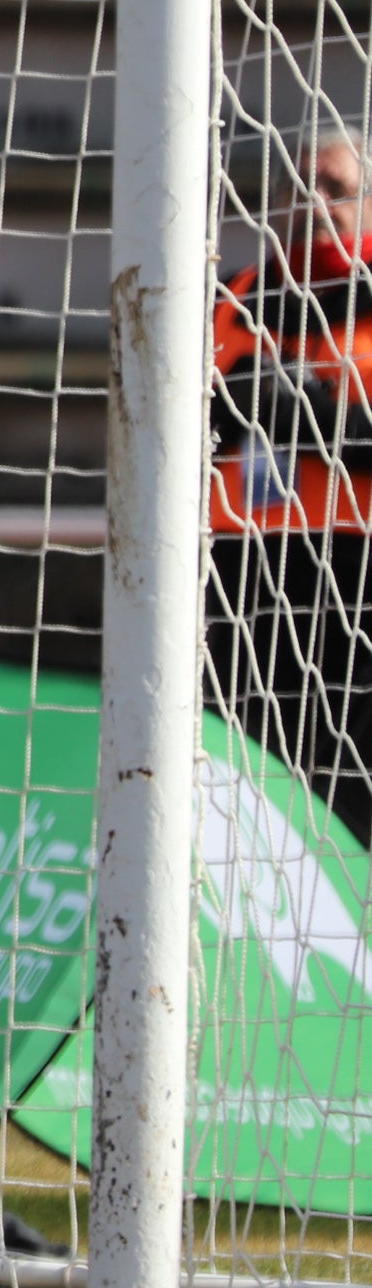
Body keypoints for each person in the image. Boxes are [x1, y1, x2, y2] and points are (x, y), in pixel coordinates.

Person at [209, 124, 372, 837]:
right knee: (240, 792)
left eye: (336, 188)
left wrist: (299, 407)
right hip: (238, 581)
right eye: (299, 186)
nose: (315, 201)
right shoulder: (233, 295)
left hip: (355, 578)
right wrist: (235, 395)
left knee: (349, 801)